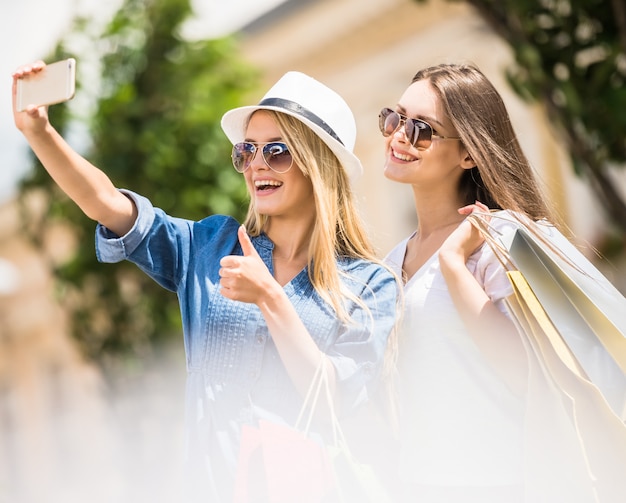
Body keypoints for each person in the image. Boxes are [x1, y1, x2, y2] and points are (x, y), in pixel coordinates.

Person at [12, 62, 399, 502]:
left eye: (277, 151)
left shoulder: (370, 284)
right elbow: (107, 204)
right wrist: (38, 132)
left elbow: (334, 398)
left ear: (318, 164)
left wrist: (269, 297)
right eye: (246, 151)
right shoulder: (209, 245)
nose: (256, 165)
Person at [379, 63, 562, 502]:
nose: (399, 135)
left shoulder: (501, 240)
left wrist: (455, 266)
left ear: (469, 153)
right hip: (415, 486)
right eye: (394, 117)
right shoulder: (390, 262)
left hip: (499, 486)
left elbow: (527, 374)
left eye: (422, 129)